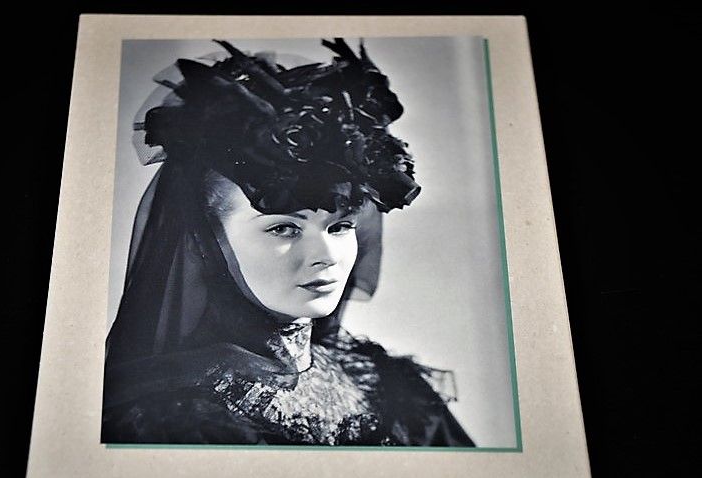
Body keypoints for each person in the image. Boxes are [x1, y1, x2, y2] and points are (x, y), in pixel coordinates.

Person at [101, 38, 475, 447]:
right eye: (283, 228)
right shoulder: (171, 419)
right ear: (206, 241)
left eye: (340, 226)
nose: (326, 257)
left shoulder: (390, 389)